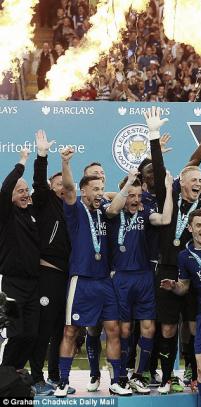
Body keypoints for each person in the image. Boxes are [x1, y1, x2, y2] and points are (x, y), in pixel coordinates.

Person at [145, 107, 201, 394]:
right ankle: (166, 377)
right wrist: (153, 136)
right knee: (167, 328)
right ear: (182, 184)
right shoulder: (170, 197)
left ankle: (191, 368)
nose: (200, 183)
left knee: (193, 326)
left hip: (195, 269)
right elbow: (174, 164)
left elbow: (197, 163)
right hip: (167, 267)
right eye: (195, 180)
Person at [54, 147, 131, 397]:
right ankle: (63, 382)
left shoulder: (104, 212)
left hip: (104, 282)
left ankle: (117, 380)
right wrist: (65, 162)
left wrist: (129, 182)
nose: (99, 193)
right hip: (82, 281)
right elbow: (67, 188)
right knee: (70, 331)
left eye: (101, 189)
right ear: (84, 190)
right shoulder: (75, 210)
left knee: (113, 330)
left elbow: (117, 204)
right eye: (94, 189)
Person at [105, 171, 173, 394]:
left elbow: (165, 219)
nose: (135, 200)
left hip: (144, 277)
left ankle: (139, 375)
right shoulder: (113, 214)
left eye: (138, 195)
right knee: (124, 330)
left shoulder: (146, 214)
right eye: (130, 195)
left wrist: (170, 190)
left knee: (148, 328)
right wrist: (124, 190)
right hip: (121, 277)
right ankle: (122, 375)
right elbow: (113, 208)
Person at [28, 131, 71, 395]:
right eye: (57, 183)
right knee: (43, 328)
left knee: (60, 329)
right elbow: (38, 183)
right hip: (48, 274)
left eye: (64, 183)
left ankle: (54, 376)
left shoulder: (74, 208)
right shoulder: (45, 203)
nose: (62, 186)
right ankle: (36, 377)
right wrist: (42, 156)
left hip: (70, 277)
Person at [160, 209, 201, 406]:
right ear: (190, 228)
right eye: (199, 225)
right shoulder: (184, 256)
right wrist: (174, 286)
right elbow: (184, 287)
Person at [0, 148, 40, 370]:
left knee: (31, 335)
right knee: (16, 334)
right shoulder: (5, 215)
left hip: (33, 286)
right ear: (11, 196)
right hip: (12, 287)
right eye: (20, 191)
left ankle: (15, 373)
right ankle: (4, 377)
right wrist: (22, 162)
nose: (25, 194)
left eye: (27, 190)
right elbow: (5, 189)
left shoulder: (32, 213)